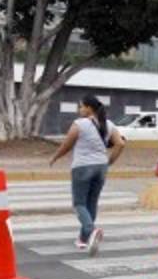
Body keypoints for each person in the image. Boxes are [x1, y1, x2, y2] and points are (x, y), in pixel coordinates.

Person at [49, 95, 125, 254]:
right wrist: (109, 162)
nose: (79, 110)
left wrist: (55, 157)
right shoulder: (109, 124)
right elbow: (120, 143)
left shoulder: (79, 124)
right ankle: (83, 239)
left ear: (89, 108)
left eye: (81, 106)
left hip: (83, 167)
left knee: (79, 203)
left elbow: (67, 145)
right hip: (101, 167)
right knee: (91, 202)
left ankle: (91, 230)